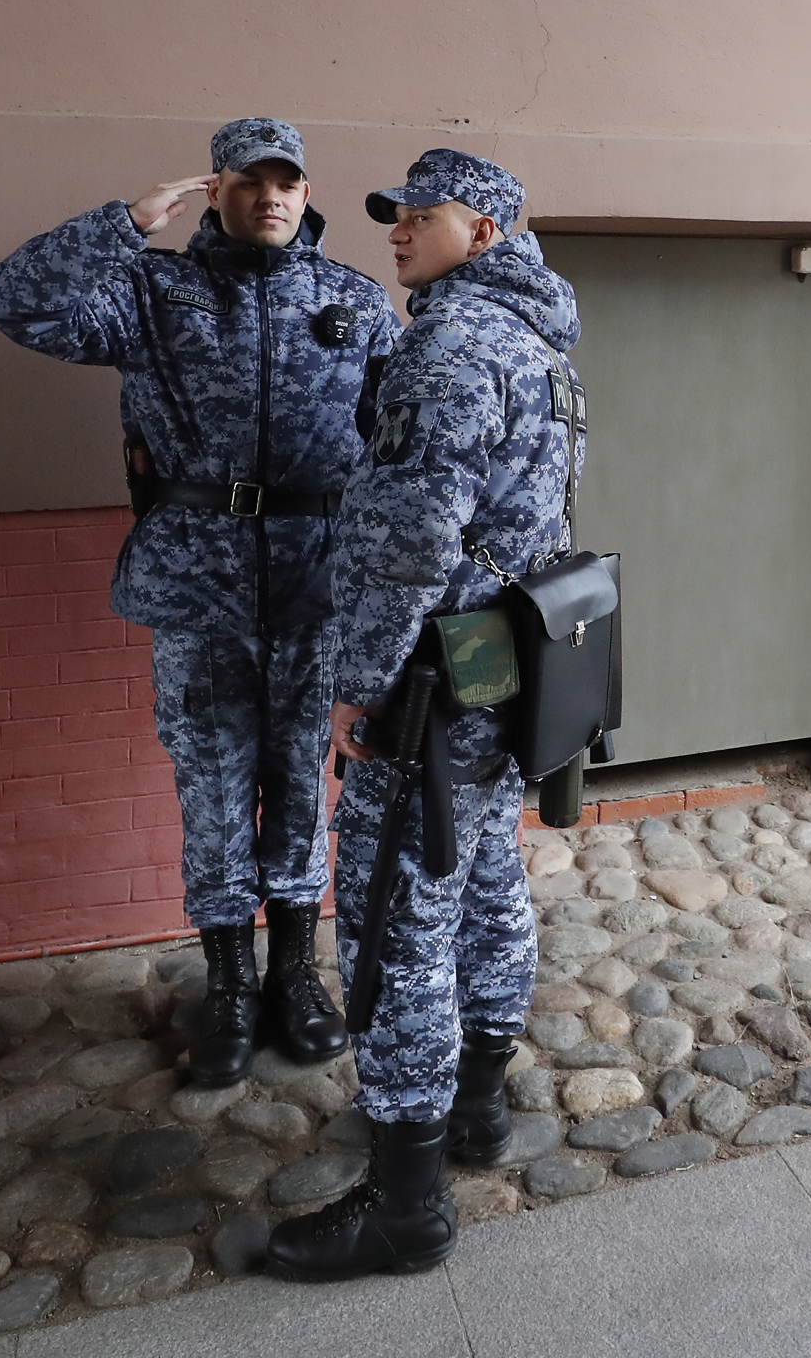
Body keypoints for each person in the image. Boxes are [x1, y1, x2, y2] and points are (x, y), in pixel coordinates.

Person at [0, 120, 399, 1086]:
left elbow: (393, 438)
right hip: (197, 581)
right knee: (211, 789)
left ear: (307, 188)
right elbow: (15, 301)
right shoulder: (152, 291)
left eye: (287, 180)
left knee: (301, 778)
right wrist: (124, 224)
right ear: (217, 190)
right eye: (250, 181)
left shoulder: (352, 298)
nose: (272, 197)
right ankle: (230, 983)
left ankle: (295, 972)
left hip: (314, 581)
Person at [266, 149, 582, 1280]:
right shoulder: (539, 344)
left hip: (425, 681)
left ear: (484, 231)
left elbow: (408, 539)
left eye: (422, 213)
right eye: (395, 212)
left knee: (398, 919)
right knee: (486, 877)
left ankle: (406, 1201)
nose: (398, 227)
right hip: (496, 672)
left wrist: (358, 680)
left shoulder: (450, 346)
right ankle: (479, 1106)